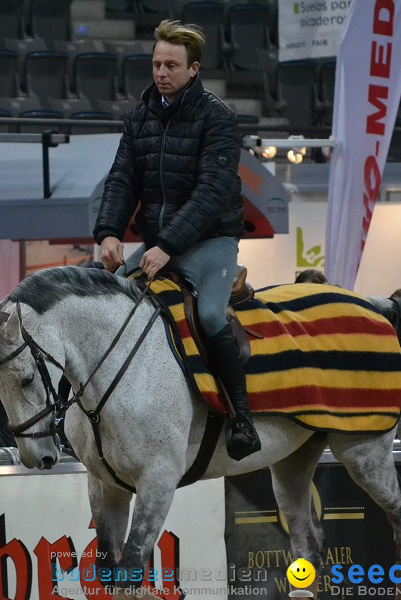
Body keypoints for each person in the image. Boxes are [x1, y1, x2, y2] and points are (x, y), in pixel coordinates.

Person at [92, 20, 258, 460]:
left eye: (171, 65)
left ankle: (242, 419)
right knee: (108, 301)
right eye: (156, 64)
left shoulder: (218, 117)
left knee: (209, 317)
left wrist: (165, 243)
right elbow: (121, 180)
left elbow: (212, 191)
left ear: (194, 69)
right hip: (161, 243)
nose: (161, 72)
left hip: (211, 240)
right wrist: (108, 232)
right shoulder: (138, 118)